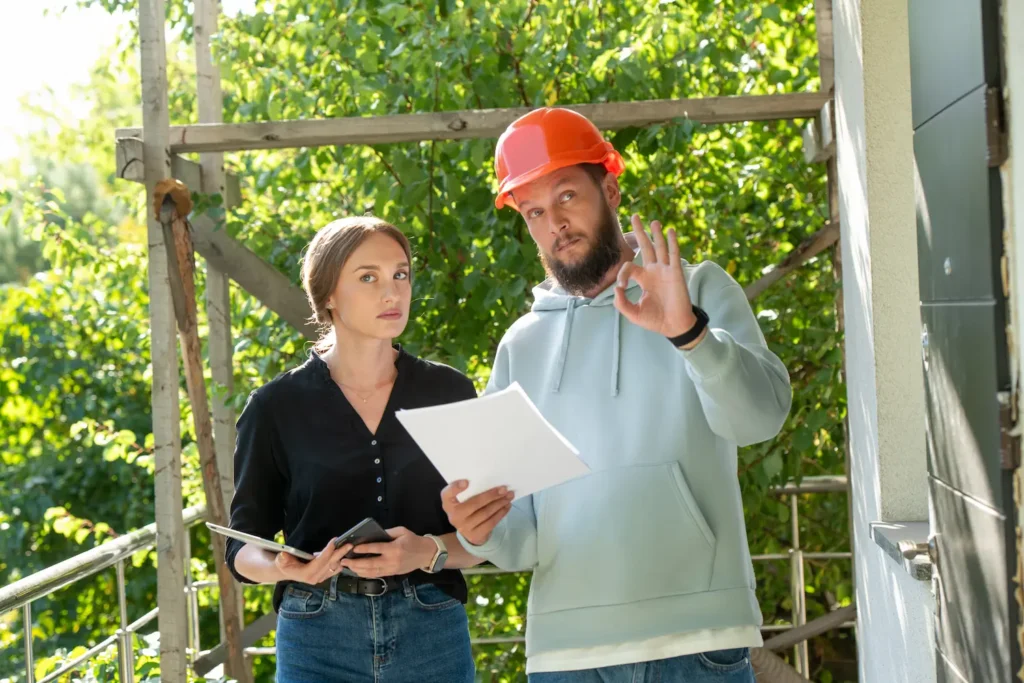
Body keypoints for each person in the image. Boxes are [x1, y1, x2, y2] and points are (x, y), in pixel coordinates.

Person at [441, 108, 792, 682]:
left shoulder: (697, 288)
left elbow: (760, 419)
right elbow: (521, 538)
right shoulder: (520, 346)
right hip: (567, 658)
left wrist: (691, 334)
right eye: (534, 211)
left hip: (699, 642)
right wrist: (479, 527)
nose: (554, 222)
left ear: (609, 188)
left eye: (566, 197)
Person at [224, 216, 493, 683]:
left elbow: (487, 537)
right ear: (327, 294)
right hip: (316, 634)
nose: (392, 292)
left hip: (432, 628)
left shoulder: (448, 390)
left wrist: (426, 552)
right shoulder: (274, 407)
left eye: (400, 274)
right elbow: (242, 547)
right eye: (368, 277)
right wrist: (284, 569)